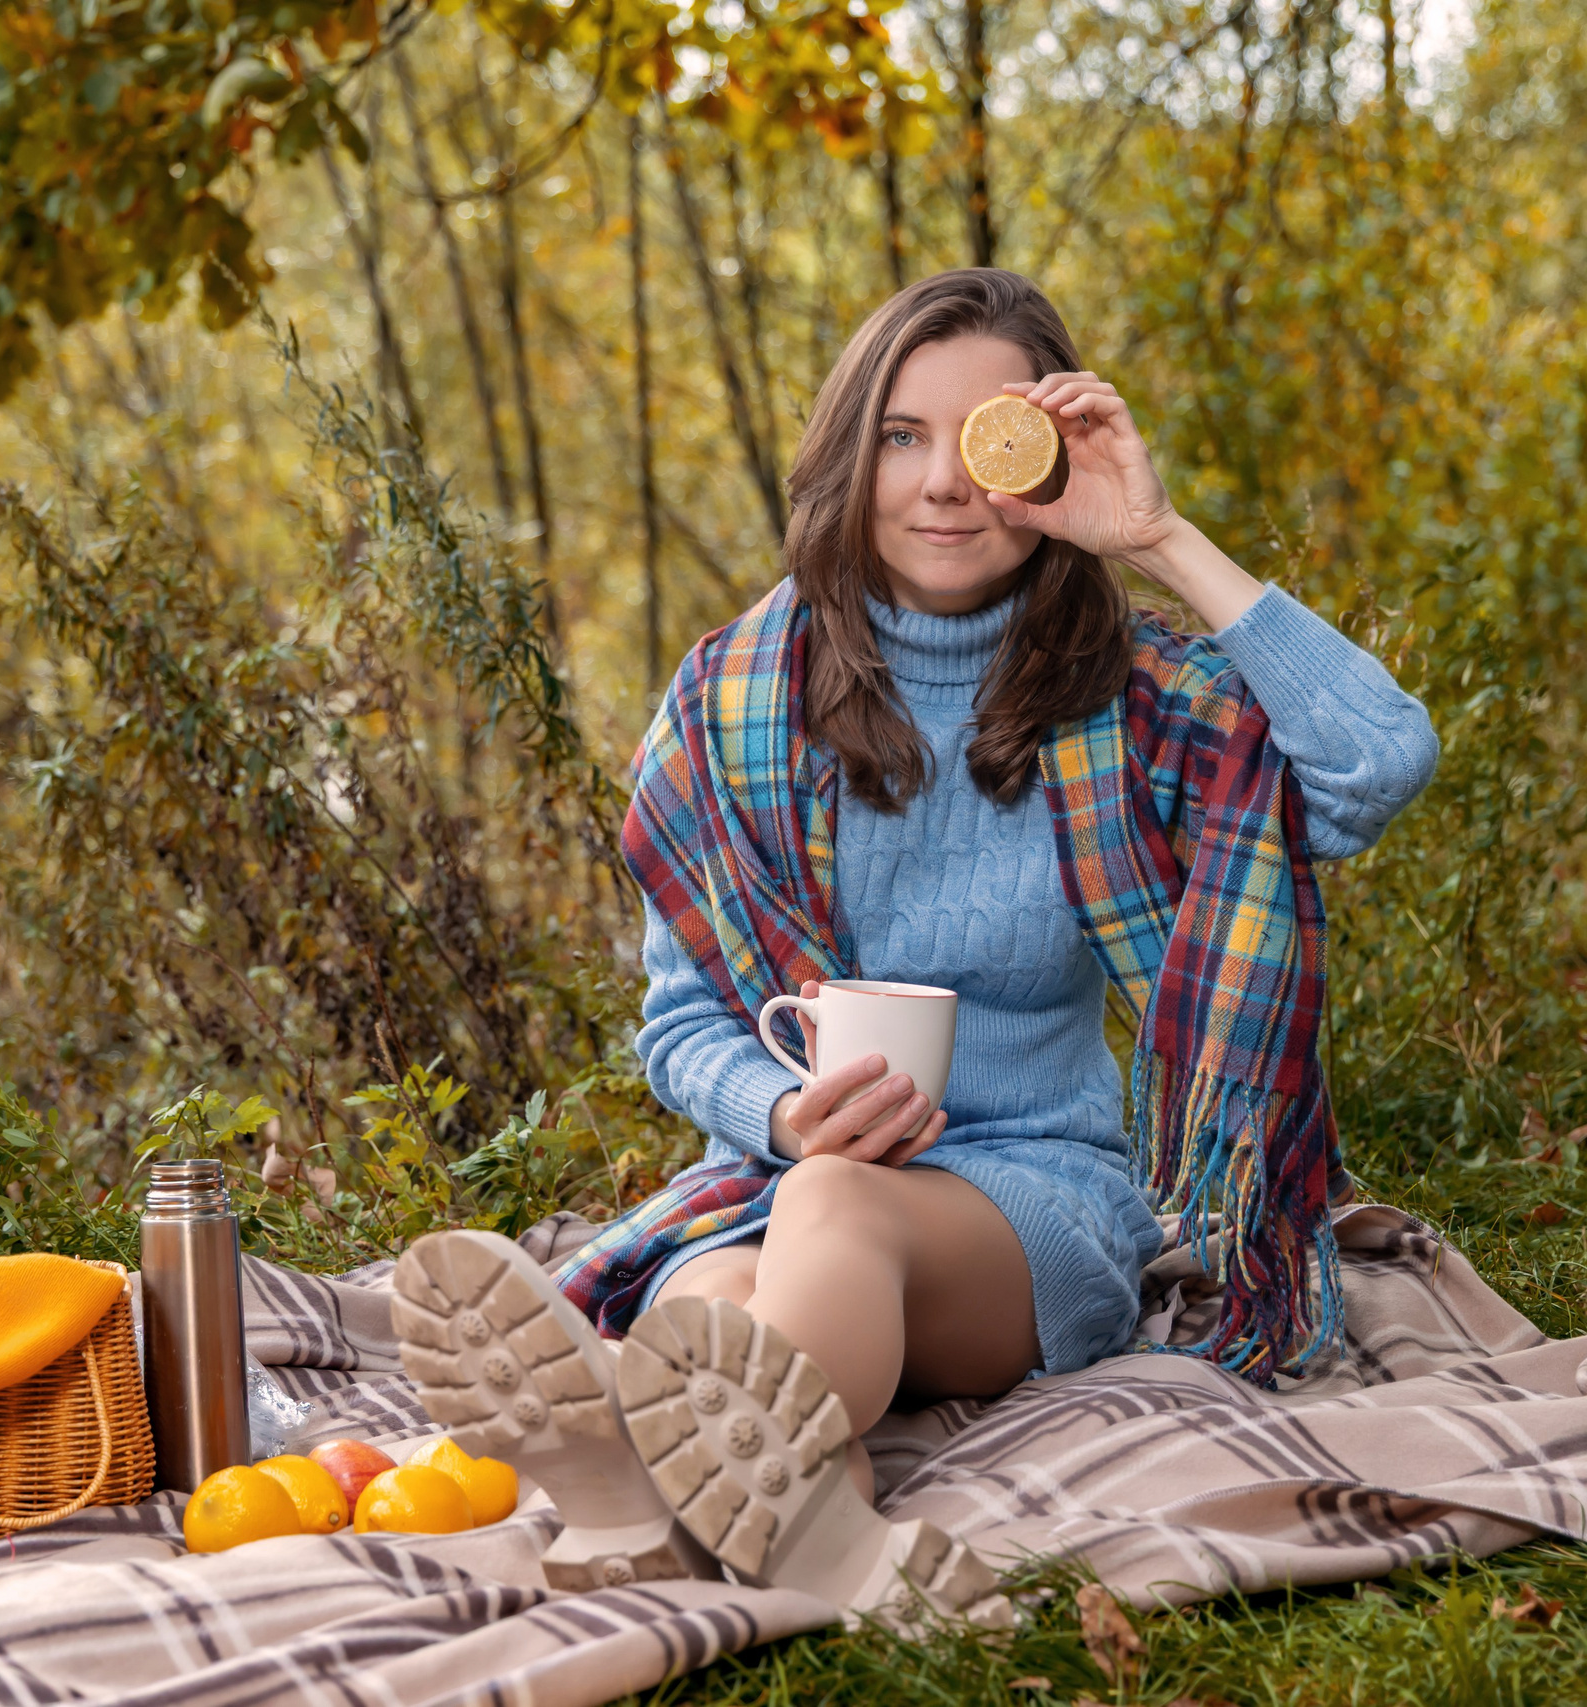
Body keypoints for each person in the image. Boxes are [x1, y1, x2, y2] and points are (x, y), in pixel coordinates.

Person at [390, 267, 1437, 1626]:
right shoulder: (734, 697)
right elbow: (681, 1027)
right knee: (711, 1297)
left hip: (1036, 1201)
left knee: (829, 1215)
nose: (944, 482)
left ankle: (661, 1489)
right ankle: (725, 1510)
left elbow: (1377, 761)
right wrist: (781, 1106)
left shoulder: (1135, 701)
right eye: (902, 435)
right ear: (847, 452)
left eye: (986, 439)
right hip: (779, 1179)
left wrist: (1158, 532)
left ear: (1048, 459)